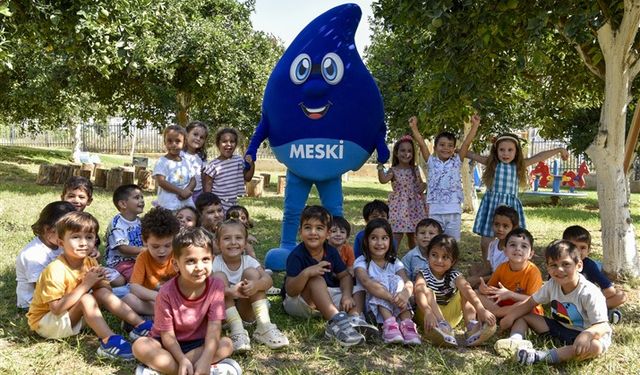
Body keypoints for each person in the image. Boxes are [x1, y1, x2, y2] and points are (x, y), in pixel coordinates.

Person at [27, 212, 152, 360]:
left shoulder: (89, 262)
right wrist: (86, 284)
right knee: (86, 298)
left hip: (72, 315)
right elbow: (56, 309)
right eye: (75, 237)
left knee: (100, 293)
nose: (83, 243)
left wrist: (99, 283)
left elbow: (107, 293)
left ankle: (139, 325)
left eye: (89, 237)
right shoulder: (55, 270)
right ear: (61, 243)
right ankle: (108, 341)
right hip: (47, 323)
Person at [132, 227, 240, 375]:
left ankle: (166, 370)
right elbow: (167, 335)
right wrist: (182, 359)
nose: (199, 267)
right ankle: (196, 370)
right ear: (176, 264)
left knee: (227, 344)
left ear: (213, 260)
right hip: (165, 345)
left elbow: (214, 328)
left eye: (205, 259)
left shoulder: (216, 287)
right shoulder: (166, 293)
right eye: (190, 261)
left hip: (199, 344)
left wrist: (206, 359)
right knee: (140, 346)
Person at [496, 240, 612, 365]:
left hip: (586, 335)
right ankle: (515, 340)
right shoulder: (552, 284)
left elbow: (603, 326)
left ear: (579, 265)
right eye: (553, 265)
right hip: (560, 327)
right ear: (548, 268)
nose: (559, 269)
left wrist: (587, 334)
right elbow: (530, 303)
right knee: (524, 315)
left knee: (595, 347)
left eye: (566, 264)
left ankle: (540, 357)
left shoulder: (589, 293)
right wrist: (511, 316)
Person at [466, 133, 568, 264]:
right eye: (501, 150)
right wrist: (456, 150)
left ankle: (511, 263)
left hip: (510, 208)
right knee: (487, 238)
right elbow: (471, 155)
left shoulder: (518, 166)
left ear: (516, 151)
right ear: (496, 151)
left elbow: (539, 156)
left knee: (514, 238)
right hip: (492, 206)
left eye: (510, 150)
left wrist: (559, 150)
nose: (505, 153)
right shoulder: (492, 164)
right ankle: (488, 264)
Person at [282, 205, 366, 347]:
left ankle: (354, 319)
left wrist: (346, 295)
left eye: (319, 228)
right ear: (300, 232)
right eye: (308, 227)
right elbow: (290, 290)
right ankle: (336, 323)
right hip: (298, 302)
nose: (313, 232)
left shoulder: (331, 251)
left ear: (327, 233)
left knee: (358, 286)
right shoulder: (296, 255)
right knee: (315, 279)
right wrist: (307, 273)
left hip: (323, 299)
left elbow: (344, 276)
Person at [212, 220, 289, 352]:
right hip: (225, 317)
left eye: (238, 238)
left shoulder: (249, 261)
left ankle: (264, 327)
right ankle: (237, 331)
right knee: (218, 278)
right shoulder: (214, 263)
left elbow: (268, 279)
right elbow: (207, 289)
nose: (233, 242)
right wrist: (229, 291)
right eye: (226, 238)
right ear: (217, 243)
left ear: (245, 242)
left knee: (252, 274)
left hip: (246, 312)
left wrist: (256, 285)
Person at [414, 234, 497, 347]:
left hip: (452, 317)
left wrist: (481, 309)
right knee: (427, 291)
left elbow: (468, 290)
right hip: (428, 316)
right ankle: (440, 327)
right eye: (434, 255)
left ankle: (472, 326)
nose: (439, 260)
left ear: (453, 261)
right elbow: (418, 291)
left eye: (445, 257)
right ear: (427, 256)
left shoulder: (455, 275)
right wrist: (428, 311)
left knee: (465, 289)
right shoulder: (423, 273)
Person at [408, 114, 480, 240]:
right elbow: (422, 144)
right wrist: (414, 127)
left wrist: (475, 125)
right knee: (434, 242)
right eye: (442, 145)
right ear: (435, 148)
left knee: (452, 243)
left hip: (453, 211)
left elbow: (467, 143)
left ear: (454, 149)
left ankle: (451, 260)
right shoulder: (431, 161)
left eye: (450, 145)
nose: (446, 148)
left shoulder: (457, 161)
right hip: (435, 211)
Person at [354, 218, 420, 345]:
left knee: (398, 280)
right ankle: (389, 324)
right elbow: (366, 282)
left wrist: (405, 294)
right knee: (381, 281)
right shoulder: (362, 262)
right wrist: (390, 297)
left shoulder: (394, 262)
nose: (379, 243)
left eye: (384, 238)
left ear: (390, 241)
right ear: (366, 241)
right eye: (374, 238)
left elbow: (407, 282)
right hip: (372, 308)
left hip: (396, 305)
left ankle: (407, 325)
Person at [15, 201, 76, 308]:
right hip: (36, 303)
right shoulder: (33, 255)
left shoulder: (58, 243)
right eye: (65, 233)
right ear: (48, 230)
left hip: (59, 290)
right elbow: (41, 290)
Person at [562, 225, 627, 323]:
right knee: (619, 296)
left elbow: (608, 289)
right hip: (566, 303)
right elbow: (609, 291)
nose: (578, 251)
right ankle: (600, 313)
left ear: (589, 250)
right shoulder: (560, 264)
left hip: (580, 302)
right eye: (574, 247)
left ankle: (593, 312)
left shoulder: (589, 265)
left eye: (582, 247)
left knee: (621, 296)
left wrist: (593, 298)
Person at [122, 207, 181, 316]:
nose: (162, 251)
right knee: (128, 298)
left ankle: (158, 316)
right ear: (145, 241)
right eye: (155, 246)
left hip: (176, 300)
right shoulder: (143, 257)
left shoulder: (179, 255)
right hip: (152, 300)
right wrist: (157, 296)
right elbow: (134, 287)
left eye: (168, 245)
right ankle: (164, 315)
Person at [477, 228, 543, 318]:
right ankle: (499, 313)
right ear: (505, 251)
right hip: (504, 304)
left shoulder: (533, 272)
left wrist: (510, 294)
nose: (518, 249)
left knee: (523, 306)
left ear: (531, 254)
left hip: (523, 307)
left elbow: (534, 300)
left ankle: (495, 314)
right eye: (513, 245)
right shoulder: (502, 267)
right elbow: (491, 290)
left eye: (523, 246)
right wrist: (483, 289)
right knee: (475, 293)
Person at [378, 135, 426, 251]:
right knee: (396, 235)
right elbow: (383, 180)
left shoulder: (415, 169)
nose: (406, 154)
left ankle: (415, 259)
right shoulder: (393, 170)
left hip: (414, 207)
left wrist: (424, 186)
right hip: (398, 207)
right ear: (396, 153)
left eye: (409, 151)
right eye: (403, 150)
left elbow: (421, 184)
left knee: (413, 236)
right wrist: (380, 167)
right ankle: (391, 259)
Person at [203, 128, 255, 213]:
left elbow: (248, 178)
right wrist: (209, 204)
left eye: (232, 141)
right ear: (218, 144)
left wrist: (252, 164)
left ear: (236, 144)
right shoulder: (213, 165)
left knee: (231, 225)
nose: (228, 144)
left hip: (233, 203)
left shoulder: (239, 160)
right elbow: (208, 186)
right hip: (217, 204)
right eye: (224, 141)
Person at [467, 206, 520, 288]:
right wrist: (475, 277)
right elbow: (488, 268)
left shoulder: (513, 249)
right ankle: (478, 286)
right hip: (492, 274)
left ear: (514, 228)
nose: (500, 229)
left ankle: (479, 287)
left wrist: (477, 279)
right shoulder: (493, 244)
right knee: (473, 268)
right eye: (497, 224)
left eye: (505, 226)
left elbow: (502, 275)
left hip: (504, 280)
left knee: (476, 283)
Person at [104, 184, 145, 286]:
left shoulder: (140, 221)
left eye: (142, 197)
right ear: (123, 204)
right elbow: (123, 248)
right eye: (137, 197)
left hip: (137, 259)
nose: (142, 201)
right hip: (120, 261)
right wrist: (145, 250)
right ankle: (129, 292)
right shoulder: (117, 224)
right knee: (137, 277)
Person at [153, 125, 196, 210]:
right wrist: (180, 192)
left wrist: (187, 191)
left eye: (178, 141)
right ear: (165, 142)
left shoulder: (187, 162)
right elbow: (161, 182)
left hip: (186, 204)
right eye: (169, 141)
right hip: (169, 206)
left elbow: (193, 180)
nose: (173, 144)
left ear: (184, 143)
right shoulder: (162, 162)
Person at [182, 120, 209, 204]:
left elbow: (203, 177)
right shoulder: (179, 154)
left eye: (202, 137)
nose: (198, 139)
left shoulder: (201, 157)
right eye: (195, 134)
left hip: (198, 194)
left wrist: (205, 195)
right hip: (182, 192)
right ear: (186, 135)